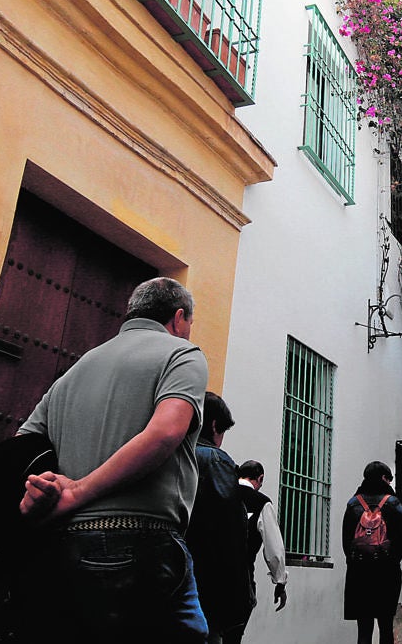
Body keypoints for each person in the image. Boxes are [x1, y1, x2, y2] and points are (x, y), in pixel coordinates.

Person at [15, 276, 209, 642]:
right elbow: (166, 433)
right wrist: (78, 491)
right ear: (179, 318)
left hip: (64, 545)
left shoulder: (76, 369)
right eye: (188, 325)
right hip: (143, 544)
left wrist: (41, 490)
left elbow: (23, 443)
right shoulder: (182, 355)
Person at [186, 392, 253, 644]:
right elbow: (231, 534)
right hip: (204, 585)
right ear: (214, 425)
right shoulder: (215, 460)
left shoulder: (165, 450)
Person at [342, 461, 402, 644]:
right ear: (384, 478)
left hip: (359, 571)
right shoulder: (393, 504)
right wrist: (392, 561)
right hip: (386, 571)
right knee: (386, 625)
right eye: (389, 479)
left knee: (363, 628)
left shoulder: (353, 503)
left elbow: (346, 540)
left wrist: (355, 562)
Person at [236, 460, 289, 619]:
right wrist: (280, 581)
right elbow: (274, 547)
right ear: (260, 478)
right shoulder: (261, 502)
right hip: (242, 575)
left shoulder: (221, 493)